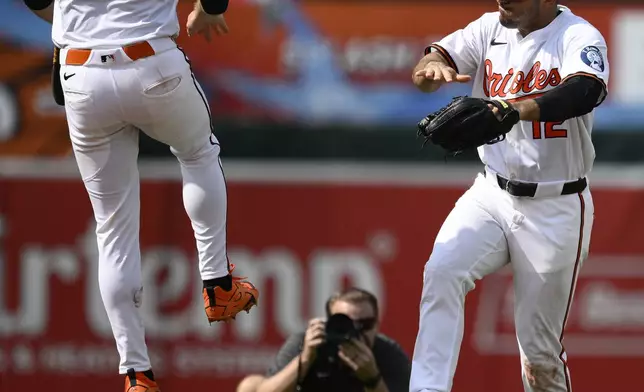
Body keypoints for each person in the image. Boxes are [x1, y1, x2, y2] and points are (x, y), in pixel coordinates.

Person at [21, 0, 259, 391]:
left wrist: (72, 21)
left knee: (112, 225)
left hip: (81, 72)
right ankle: (218, 284)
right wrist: (211, 9)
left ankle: (136, 373)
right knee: (199, 153)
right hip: (151, 60)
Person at [410, 1, 608, 392]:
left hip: (556, 204)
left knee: (538, 356)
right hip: (492, 192)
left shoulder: (578, 35)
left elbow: (584, 92)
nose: (502, 0)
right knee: (443, 272)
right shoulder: (489, 27)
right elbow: (435, 57)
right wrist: (429, 70)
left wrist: (511, 110)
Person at [253, 288, 411, 392]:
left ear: (376, 325)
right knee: (249, 385)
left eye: (365, 324)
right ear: (329, 323)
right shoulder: (307, 344)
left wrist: (372, 380)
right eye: (345, 324)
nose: (355, 332)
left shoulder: (387, 352)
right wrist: (306, 360)